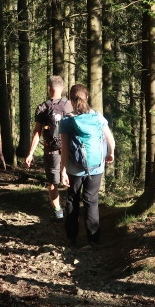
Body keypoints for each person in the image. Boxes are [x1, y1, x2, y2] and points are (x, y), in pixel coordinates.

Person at [60, 84, 115, 246]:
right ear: (88, 98)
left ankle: (71, 237)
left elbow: (64, 149)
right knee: (91, 200)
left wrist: (63, 171)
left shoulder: (66, 121)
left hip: (74, 168)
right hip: (96, 167)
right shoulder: (98, 117)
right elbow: (110, 140)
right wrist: (110, 153)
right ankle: (93, 239)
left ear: (70, 99)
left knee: (73, 199)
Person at [25, 75, 74, 219]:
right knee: (72, 179)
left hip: (51, 150)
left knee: (53, 182)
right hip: (70, 150)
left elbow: (37, 132)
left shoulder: (42, 107)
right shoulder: (70, 105)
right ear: (63, 88)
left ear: (49, 88)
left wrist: (30, 153)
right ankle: (72, 210)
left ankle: (58, 212)